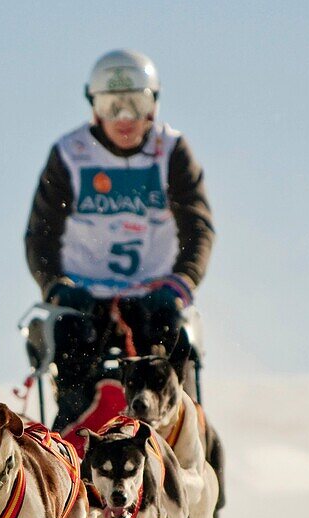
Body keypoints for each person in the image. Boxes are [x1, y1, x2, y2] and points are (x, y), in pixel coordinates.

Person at [24, 49, 216, 433]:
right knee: (73, 347)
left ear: (153, 104)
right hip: (85, 291)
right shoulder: (69, 154)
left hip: (152, 290)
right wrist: (56, 286)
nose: (125, 118)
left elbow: (197, 225)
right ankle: (74, 438)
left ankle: (182, 439)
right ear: (94, 107)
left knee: (172, 346)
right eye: (113, 105)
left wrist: (181, 283)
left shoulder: (172, 152)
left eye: (135, 102)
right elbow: (41, 233)